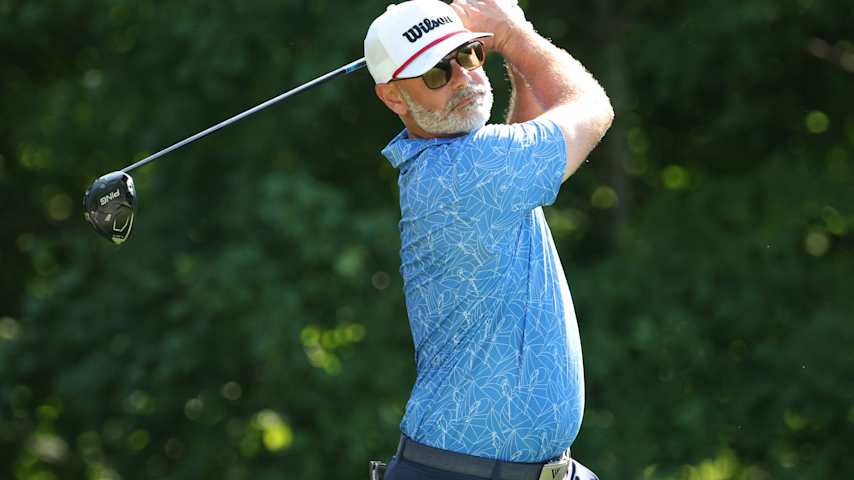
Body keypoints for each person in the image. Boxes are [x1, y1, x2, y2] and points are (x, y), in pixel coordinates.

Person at [364, 0, 613, 478]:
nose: (463, 78)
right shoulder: (465, 170)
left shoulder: (469, 165)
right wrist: (513, 35)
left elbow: (525, 133)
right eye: (437, 73)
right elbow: (592, 109)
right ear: (394, 97)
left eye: (470, 56)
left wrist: (511, 45)